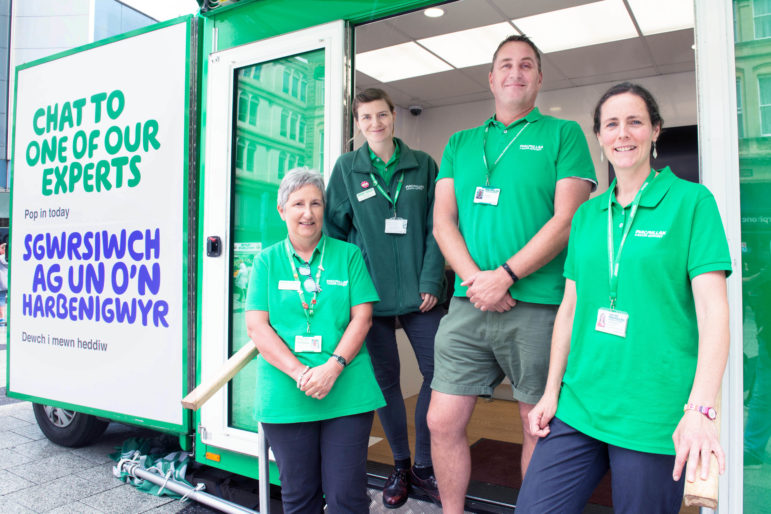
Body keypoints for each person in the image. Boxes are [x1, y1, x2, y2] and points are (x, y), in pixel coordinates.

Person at [516, 82, 732, 513]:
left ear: (655, 131)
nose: (623, 133)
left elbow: (714, 312)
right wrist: (550, 393)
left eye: (635, 122)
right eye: (611, 124)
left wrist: (702, 410)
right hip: (580, 404)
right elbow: (570, 309)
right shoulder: (586, 215)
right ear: (599, 136)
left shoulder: (692, 203)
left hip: (653, 414)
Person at [427, 34, 596, 513]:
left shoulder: (564, 135)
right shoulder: (460, 143)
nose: (515, 73)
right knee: (442, 420)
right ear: (491, 77)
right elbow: (443, 221)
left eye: (526, 65)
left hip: (539, 307)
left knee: (535, 425)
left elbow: (567, 219)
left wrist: (505, 274)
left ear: (539, 78)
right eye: (505, 64)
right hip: (467, 305)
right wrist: (478, 281)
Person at [325, 87, 445, 507]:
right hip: (369, 301)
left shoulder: (423, 165)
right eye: (365, 119)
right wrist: (351, 292)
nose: (374, 124)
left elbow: (439, 227)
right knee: (386, 383)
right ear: (357, 125)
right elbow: (334, 235)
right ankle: (399, 465)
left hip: (420, 295)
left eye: (381, 115)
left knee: (440, 374)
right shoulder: (346, 169)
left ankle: (425, 466)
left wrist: (431, 280)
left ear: (394, 116)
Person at [245, 168, 385, 514]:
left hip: (347, 389)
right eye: (298, 204)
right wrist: (299, 373)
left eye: (315, 204)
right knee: (299, 496)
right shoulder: (266, 261)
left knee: (346, 497)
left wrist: (332, 368)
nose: (307, 213)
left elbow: (362, 318)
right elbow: (257, 327)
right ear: (282, 211)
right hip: (286, 393)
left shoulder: (348, 256)